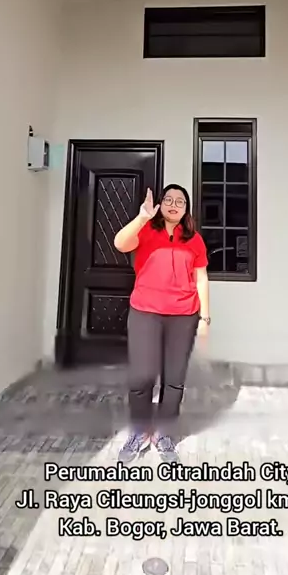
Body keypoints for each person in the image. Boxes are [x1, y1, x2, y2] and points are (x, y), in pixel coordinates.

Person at [114, 184, 210, 462]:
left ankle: (164, 433)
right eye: (168, 199)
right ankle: (140, 431)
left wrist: (205, 317)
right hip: (145, 312)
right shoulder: (146, 230)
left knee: (174, 379)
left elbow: (201, 278)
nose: (173, 204)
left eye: (180, 201)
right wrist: (142, 216)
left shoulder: (194, 240)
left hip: (184, 315)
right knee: (141, 377)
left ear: (186, 209)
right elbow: (120, 243)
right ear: (160, 204)